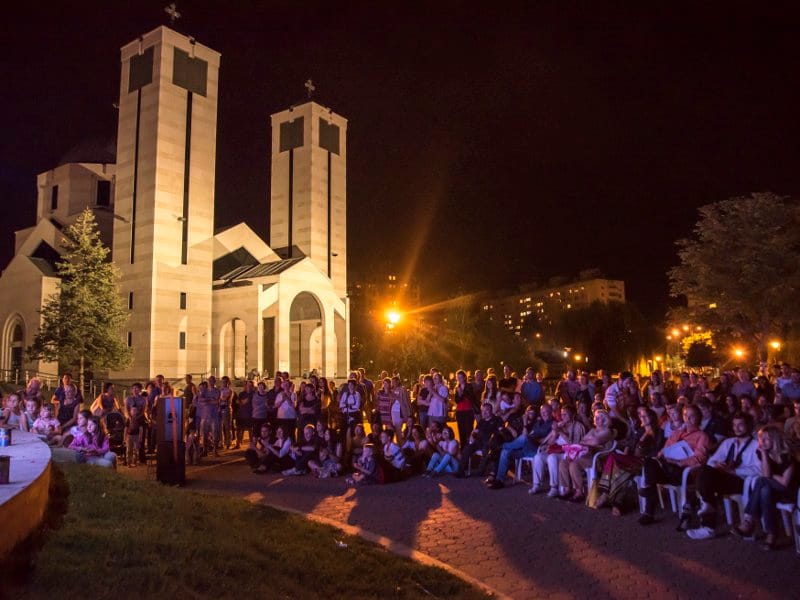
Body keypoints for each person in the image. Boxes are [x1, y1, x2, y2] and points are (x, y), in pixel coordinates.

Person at [684, 412, 760, 539]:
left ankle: (707, 519)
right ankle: (707, 511)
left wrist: (735, 471)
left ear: (749, 426)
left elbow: (759, 469)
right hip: (723, 476)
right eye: (735, 425)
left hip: (742, 481)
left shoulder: (756, 444)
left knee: (704, 481)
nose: (736, 428)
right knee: (705, 471)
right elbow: (712, 461)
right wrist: (719, 466)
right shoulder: (729, 442)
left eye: (740, 425)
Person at [638, 404, 710, 525]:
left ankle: (649, 501)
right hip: (668, 467)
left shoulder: (702, 436)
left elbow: (700, 458)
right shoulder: (677, 433)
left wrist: (680, 462)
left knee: (659, 472)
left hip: (684, 472)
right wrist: (661, 455)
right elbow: (665, 449)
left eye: (692, 416)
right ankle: (649, 505)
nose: (688, 418)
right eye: (686, 415)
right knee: (649, 461)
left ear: (698, 418)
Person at [732, 425, 798, 549]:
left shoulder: (788, 457)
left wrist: (772, 475)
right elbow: (767, 475)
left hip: (791, 492)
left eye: (766, 439)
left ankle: (749, 521)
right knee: (765, 491)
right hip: (773, 489)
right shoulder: (762, 453)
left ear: (775, 440)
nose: (761, 442)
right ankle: (771, 534)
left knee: (762, 481)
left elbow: (784, 482)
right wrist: (764, 454)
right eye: (760, 439)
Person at [594, 407, 663, 514]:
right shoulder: (640, 431)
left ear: (652, 417)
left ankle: (605, 494)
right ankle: (618, 504)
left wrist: (642, 443)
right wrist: (624, 457)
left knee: (613, 458)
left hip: (646, 463)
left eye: (645, 416)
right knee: (620, 469)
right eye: (641, 416)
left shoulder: (659, 432)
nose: (642, 418)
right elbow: (629, 445)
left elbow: (657, 451)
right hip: (632, 461)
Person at [557, 409, 615, 502]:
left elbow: (596, 442)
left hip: (598, 458)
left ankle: (579, 492)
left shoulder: (607, 431)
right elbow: (581, 442)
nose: (596, 419)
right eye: (595, 417)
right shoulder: (592, 430)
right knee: (563, 463)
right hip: (586, 455)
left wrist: (589, 441)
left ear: (605, 419)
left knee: (574, 464)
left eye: (599, 417)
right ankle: (568, 489)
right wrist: (590, 441)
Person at [532, 404, 585, 496]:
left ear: (572, 415)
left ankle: (554, 487)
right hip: (557, 450)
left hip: (568, 453)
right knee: (538, 457)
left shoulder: (577, 426)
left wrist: (560, 431)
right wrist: (554, 433)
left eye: (565, 415)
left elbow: (574, 444)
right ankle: (536, 484)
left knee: (552, 458)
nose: (562, 417)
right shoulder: (560, 424)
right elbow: (549, 441)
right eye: (562, 414)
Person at [456, 402, 503, 479]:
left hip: (490, 442)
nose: (484, 413)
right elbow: (475, 431)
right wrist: (472, 436)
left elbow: (500, 431)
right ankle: (460, 471)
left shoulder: (497, 420)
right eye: (482, 411)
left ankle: (480, 471)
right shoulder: (481, 421)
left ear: (491, 410)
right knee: (467, 448)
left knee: (486, 448)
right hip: (479, 441)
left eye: (486, 410)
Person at [453, 369, 478, 447]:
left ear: (464, 377)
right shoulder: (457, 387)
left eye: (460, 377)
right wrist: (459, 394)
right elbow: (457, 401)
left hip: (468, 410)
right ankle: (463, 447)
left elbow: (471, 397)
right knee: (461, 430)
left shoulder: (469, 385)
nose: (459, 379)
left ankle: (470, 446)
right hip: (460, 411)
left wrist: (462, 392)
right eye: (458, 377)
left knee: (468, 430)